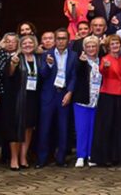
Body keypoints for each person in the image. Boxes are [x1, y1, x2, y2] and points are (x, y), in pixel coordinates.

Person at [36, 27, 76, 169]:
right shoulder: (46, 54)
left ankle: (61, 158)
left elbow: (73, 76)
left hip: (64, 94)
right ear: (55, 40)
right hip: (48, 96)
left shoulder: (73, 55)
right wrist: (48, 64)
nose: (60, 41)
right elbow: (43, 74)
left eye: (63, 38)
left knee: (63, 128)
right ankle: (42, 159)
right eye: (58, 38)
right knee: (44, 128)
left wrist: (70, 92)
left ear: (68, 40)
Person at [91, 35, 121, 166]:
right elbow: (102, 71)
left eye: (117, 43)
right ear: (108, 46)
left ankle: (117, 156)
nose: (115, 46)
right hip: (108, 95)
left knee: (119, 126)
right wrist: (105, 67)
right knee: (107, 127)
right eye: (112, 44)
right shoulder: (105, 59)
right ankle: (104, 157)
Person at [4, 34, 38, 170]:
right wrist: (13, 64)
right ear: (20, 45)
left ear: (34, 44)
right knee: (16, 128)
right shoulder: (16, 58)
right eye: (24, 43)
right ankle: (14, 158)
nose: (27, 45)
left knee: (28, 127)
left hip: (33, 98)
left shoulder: (38, 58)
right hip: (17, 98)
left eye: (30, 43)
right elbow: (9, 74)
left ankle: (23, 157)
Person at [72, 36, 102, 168]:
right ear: (84, 48)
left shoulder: (102, 61)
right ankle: (80, 155)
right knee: (82, 129)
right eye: (88, 47)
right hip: (82, 100)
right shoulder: (79, 61)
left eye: (93, 46)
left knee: (94, 129)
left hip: (98, 100)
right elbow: (75, 76)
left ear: (97, 48)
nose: (91, 49)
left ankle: (91, 154)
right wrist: (81, 63)